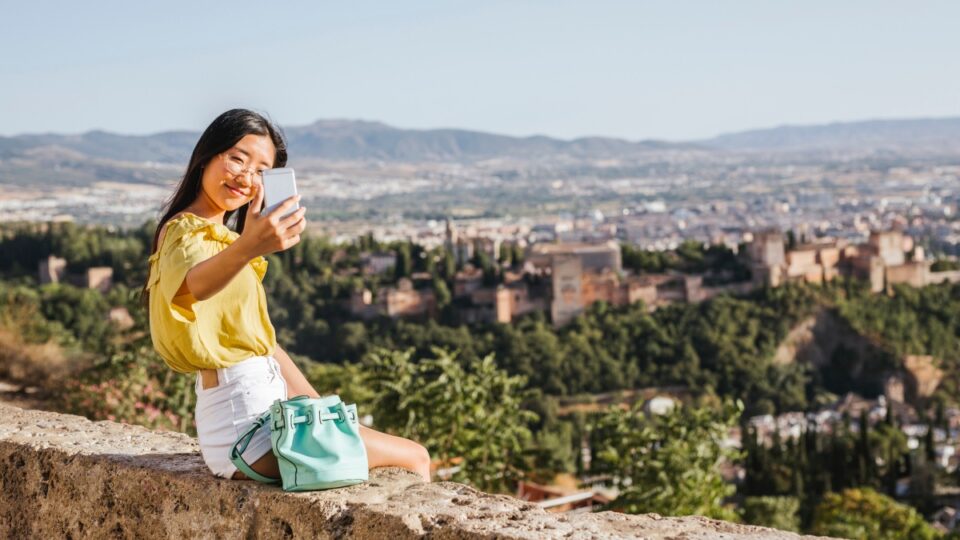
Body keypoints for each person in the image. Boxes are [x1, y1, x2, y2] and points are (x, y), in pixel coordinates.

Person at [142, 108, 430, 483]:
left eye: (261, 171)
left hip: (259, 420)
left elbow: (265, 346)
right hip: (247, 431)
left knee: (401, 452)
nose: (246, 177)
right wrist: (248, 247)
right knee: (415, 457)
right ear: (206, 156)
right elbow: (195, 285)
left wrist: (320, 408)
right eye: (237, 159)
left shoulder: (222, 241)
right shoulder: (187, 231)